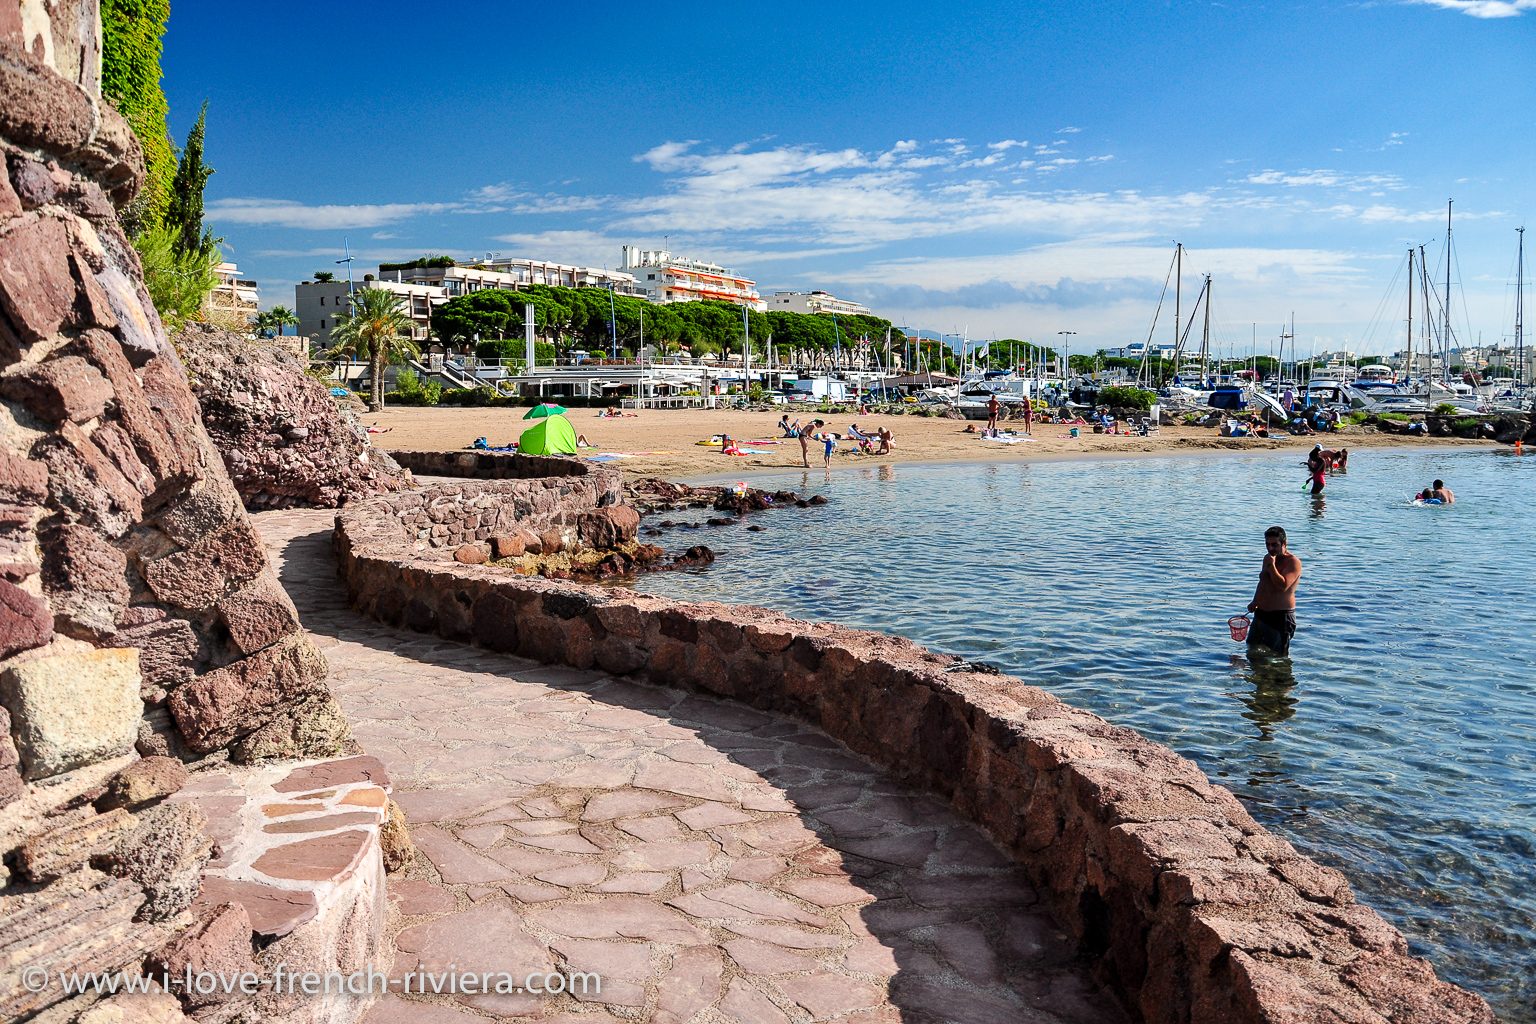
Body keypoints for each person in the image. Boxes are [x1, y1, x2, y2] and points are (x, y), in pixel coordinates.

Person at [1247, 526, 1302, 656]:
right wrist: (1255, 600)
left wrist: (1271, 565)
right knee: (1252, 651)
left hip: (1280, 618)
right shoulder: (1268, 558)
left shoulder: (1293, 562)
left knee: (1277, 658)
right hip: (1261, 615)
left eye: (1274, 545)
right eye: (1267, 544)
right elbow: (1263, 581)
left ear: (1284, 543)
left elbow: (1282, 586)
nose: (1270, 548)